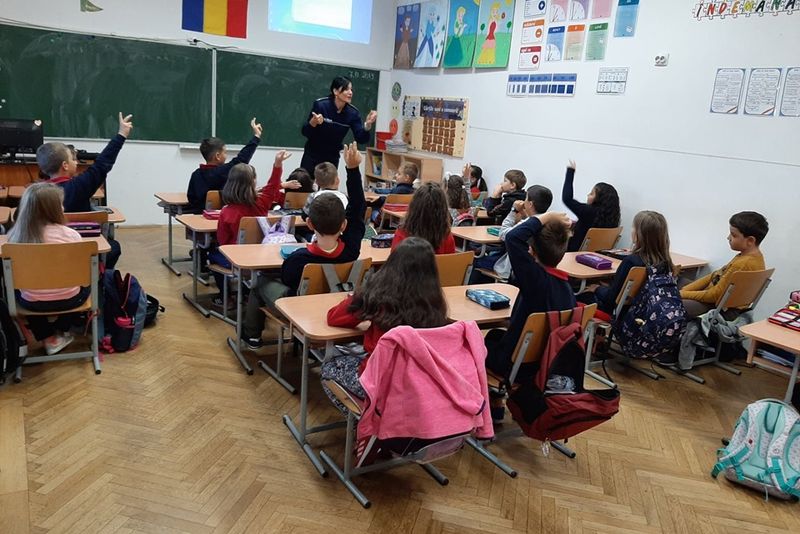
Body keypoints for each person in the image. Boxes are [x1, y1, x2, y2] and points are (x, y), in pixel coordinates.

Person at [240, 142, 366, 348]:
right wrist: (353, 169)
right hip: (337, 302)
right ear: (344, 224)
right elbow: (358, 207)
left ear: (309, 224)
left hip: (301, 309)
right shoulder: (352, 248)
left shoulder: (299, 259)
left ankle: (251, 336)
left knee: (259, 283)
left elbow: (287, 279)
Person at [324, 237, 449, 400]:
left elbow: (334, 317)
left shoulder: (378, 295)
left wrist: (362, 293)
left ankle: (364, 415)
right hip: (418, 382)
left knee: (328, 369)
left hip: (379, 381)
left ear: (391, 264)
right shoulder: (435, 303)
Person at [484, 211, 575, 382]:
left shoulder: (535, 281)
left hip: (515, 365)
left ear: (531, 251)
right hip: (544, 362)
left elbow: (512, 237)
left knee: (477, 342)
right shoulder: (566, 287)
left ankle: (485, 396)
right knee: (494, 335)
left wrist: (547, 216)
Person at [37, 112, 132, 269]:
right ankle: (98, 277)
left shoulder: (34, 194)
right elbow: (102, 164)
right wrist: (121, 135)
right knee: (113, 247)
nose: (76, 162)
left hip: (44, 259)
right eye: (73, 159)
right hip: (79, 254)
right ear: (65, 165)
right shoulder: (78, 188)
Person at [7, 183, 91, 355]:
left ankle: (47, 336)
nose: (63, 207)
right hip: (71, 299)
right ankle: (62, 328)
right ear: (53, 209)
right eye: (60, 204)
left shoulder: (15, 238)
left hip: (31, 303)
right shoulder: (71, 236)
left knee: (19, 288)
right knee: (88, 280)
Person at [208, 152, 300, 298]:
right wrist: (277, 164)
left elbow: (223, 242)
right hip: (261, 256)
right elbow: (272, 186)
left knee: (212, 255)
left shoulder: (226, 212)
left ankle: (225, 297)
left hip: (237, 260)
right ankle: (248, 289)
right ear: (254, 182)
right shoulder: (262, 203)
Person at [579, 210, 674, 316]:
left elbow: (611, 299)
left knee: (580, 295)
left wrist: (596, 288)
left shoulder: (631, 262)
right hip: (645, 311)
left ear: (639, 234)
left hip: (619, 313)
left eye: (633, 227)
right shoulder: (666, 262)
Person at [680, 211, 768, 318]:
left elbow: (715, 295)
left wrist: (681, 294)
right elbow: (714, 275)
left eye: (733, 235)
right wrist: (685, 290)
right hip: (714, 298)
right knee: (678, 282)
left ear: (750, 240)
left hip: (720, 308)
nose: (728, 237)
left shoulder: (743, 264)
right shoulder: (749, 257)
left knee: (669, 303)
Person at [470, 185, 553, 283]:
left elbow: (504, 234)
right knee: (492, 253)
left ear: (530, 204)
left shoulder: (527, 224)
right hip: (532, 267)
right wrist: (524, 214)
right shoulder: (548, 223)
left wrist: (513, 211)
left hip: (512, 268)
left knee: (475, 260)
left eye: (526, 198)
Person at [300, 76, 377, 174]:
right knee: (304, 181)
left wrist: (367, 125)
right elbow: (305, 132)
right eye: (346, 89)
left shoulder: (353, 113)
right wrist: (313, 122)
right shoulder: (321, 105)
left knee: (329, 183)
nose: (350, 92)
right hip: (312, 155)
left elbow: (361, 139)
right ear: (335, 91)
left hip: (332, 158)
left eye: (351, 89)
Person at [186, 118, 262, 214]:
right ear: (217, 156)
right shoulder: (224, 171)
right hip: (222, 216)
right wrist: (256, 136)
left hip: (198, 218)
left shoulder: (195, 174)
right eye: (225, 152)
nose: (226, 155)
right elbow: (242, 158)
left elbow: (191, 198)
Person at [561, 160, 620, 252]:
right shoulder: (613, 218)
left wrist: (570, 172)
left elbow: (567, 199)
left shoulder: (589, 212)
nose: (588, 195)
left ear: (599, 199)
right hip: (597, 256)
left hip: (574, 254)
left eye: (591, 193)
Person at [391, 182, 456, 254]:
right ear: (443, 211)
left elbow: (395, 260)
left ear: (413, 208)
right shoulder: (447, 237)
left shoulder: (401, 234)